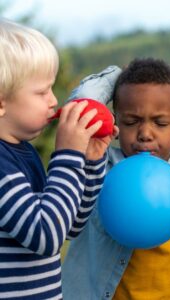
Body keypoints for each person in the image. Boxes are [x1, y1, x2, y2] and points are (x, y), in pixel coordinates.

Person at [62, 58, 170, 300]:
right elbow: (82, 106)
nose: (145, 133)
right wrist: (118, 76)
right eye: (131, 122)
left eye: (160, 123)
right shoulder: (99, 166)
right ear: (116, 123)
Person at [0, 19, 117, 299]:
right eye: (41, 92)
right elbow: (47, 235)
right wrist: (67, 155)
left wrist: (88, 162)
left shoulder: (25, 152)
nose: (54, 101)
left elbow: (69, 225)